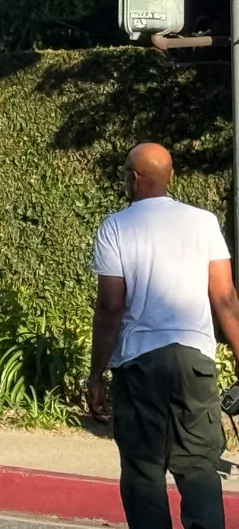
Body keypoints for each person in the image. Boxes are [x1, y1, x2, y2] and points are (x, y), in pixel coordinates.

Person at [88, 142, 239, 529]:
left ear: (134, 179)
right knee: (199, 467)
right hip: (194, 361)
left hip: (139, 363)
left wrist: (95, 374)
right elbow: (224, 298)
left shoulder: (116, 227)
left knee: (143, 470)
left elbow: (110, 307)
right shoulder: (203, 222)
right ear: (169, 176)